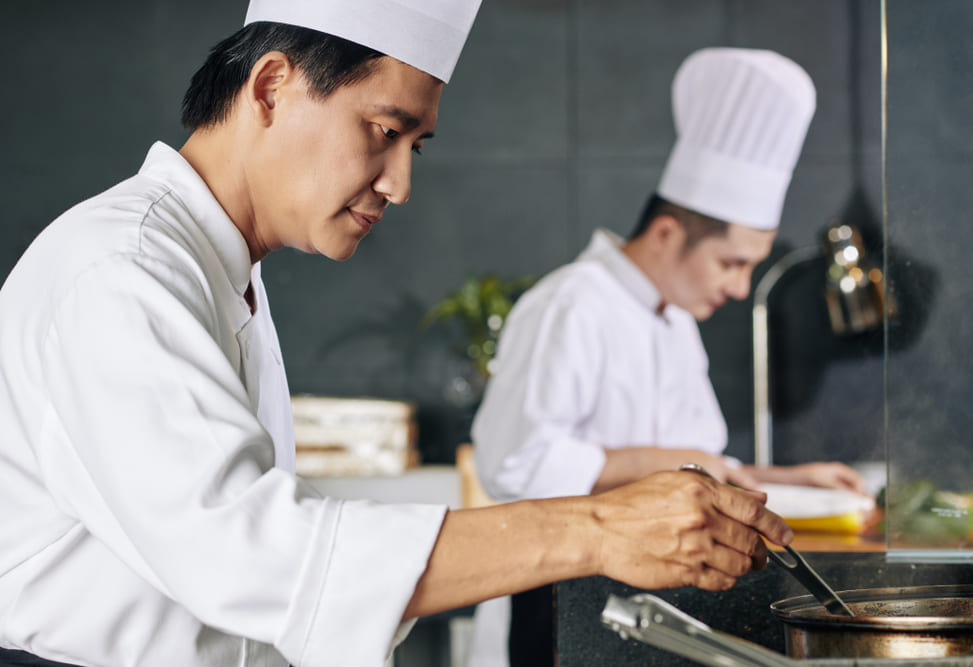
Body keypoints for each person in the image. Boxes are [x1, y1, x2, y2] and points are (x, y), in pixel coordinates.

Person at [0, 7, 796, 667]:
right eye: (383, 129)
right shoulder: (120, 269)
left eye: (414, 146)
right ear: (272, 86)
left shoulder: (220, 267)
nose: (400, 183)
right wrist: (597, 527)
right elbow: (260, 555)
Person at [470, 47, 869, 666]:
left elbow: (698, 461)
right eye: (731, 263)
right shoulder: (570, 304)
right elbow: (514, 463)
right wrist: (675, 460)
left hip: (654, 601)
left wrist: (784, 479)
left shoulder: (674, 317)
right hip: (561, 600)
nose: (739, 288)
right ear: (666, 234)